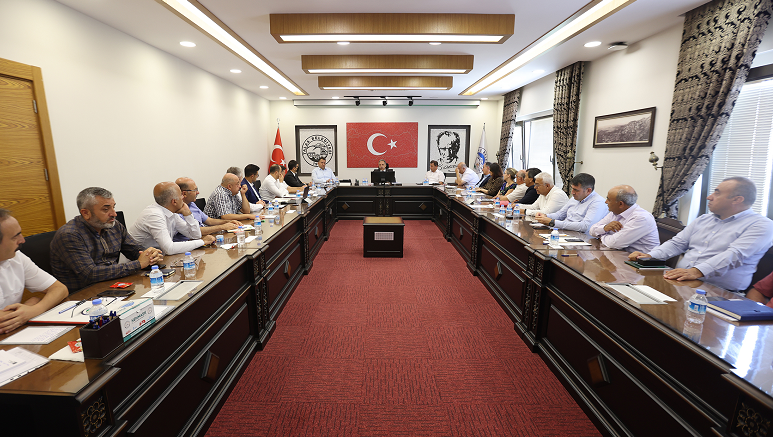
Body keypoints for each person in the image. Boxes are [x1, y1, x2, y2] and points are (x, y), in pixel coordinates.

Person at [629, 177, 773, 291]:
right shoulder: (704, 219)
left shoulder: (762, 225)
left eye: (717, 193)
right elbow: (677, 243)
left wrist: (697, 271)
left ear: (737, 199)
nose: (709, 197)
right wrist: (650, 256)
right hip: (681, 282)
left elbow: (735, 255)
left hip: (719, 292)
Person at [50, 187, 164, 292]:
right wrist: (138, 264)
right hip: (84, 294)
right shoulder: (70, 235)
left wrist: (150, 255)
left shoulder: (114, 226)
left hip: (114, 285)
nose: (114, 214)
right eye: (106, 209)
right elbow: (90, 273)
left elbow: (135, 250)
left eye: (113, 207)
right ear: (86, 213)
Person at [0, 209, 68, 334]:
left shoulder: (17, 257)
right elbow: (3, 320)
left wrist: (34, 309)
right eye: (15, 237)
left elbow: (60, 289)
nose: (22, 240)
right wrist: (31, 303)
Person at [130, 182, 215, 255]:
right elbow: (169, 249)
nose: (183, 197)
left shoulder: (171, 211)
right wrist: (202, 242)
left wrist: (188, 214)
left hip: (158, 259)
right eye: (181, 194)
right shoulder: (154, 215)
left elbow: (196, 235)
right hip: (138, 263)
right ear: (174, 201)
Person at [589, 185, 660, 253]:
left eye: (609, 199)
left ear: (621, 204)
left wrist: (601, 236)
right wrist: (604, 228)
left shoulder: (641, 218)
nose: (606, 202)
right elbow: (592, 230)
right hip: (619, 254)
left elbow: (614, 244)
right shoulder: (615, 212)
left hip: (641, 260)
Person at [532, 173, 607, 233]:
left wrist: (553, 222)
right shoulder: (575, 198)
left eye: (576, 190)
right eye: (572, 188)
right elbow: (560, 215)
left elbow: (585, 227)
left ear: (588, 191)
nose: (572, 192)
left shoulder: (598, 202)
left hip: (581, 238)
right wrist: (546, 216)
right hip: (565, 232)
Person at [174, 177, 242, 241]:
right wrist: (223, 227)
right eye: (195, 190)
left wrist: (228, 222)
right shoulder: (177, 210)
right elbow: (195, 231)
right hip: (191, 243)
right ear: (184, 193)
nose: (198, 192)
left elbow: (209, 221)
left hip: (204, 238)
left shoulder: (191, 204)